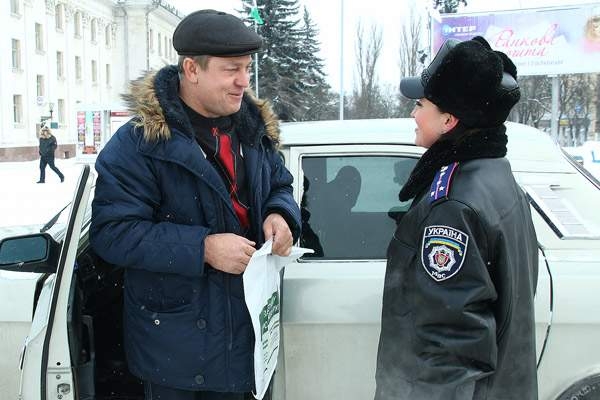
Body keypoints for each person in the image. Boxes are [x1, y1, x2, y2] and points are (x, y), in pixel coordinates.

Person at [90, 9, 301, 400]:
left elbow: (280, 185)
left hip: (247, 342)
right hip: (178, 353)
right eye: (231, 69)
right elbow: (112, 233)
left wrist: (280, 213)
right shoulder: (139, 144)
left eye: (246, 68)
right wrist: (202, 248)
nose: (244, 81)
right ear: (191, 69)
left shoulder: (252, 131)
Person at [375, 36, 539, 400]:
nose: (413, 115)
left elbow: (450, 348)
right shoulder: (496, 176)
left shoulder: (452, 207)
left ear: (448, 120)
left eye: (420, 104)